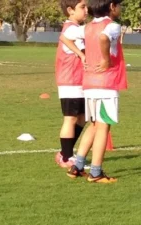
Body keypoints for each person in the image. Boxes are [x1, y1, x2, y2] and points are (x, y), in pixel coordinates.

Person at [67, 0, 127, 183]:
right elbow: (104, 38)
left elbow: (65, 36)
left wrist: (82, 54)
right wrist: (106, 60)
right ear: (111, 6)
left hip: (89, 82)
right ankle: (96, 172)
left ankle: (77, 166)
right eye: (119, 5)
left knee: (93, 125)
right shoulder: (112, 26)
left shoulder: (86, 27)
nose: (121, 8)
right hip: (105, 83)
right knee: (103, 127)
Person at [54, 0, 88, 169]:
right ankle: (66, 157)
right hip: (70, 80)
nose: (86, 10)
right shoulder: (71, 29)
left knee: (83, 118)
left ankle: (64, 151)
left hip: (80, 81)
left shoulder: (75, 29)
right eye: (83, 7)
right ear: (70, 10)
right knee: (71, 118)